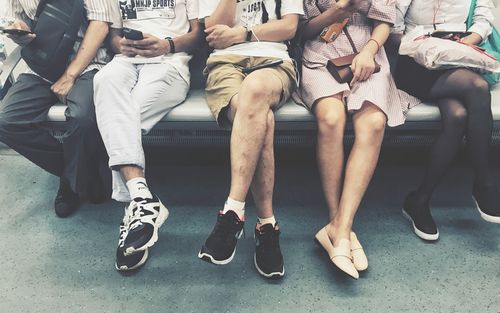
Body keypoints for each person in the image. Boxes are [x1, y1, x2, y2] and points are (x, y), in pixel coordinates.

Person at [293, 0, 418, 279]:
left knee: (374, 123)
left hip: (369, 54)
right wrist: (338, 11)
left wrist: (369, 51)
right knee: (331, 118)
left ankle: (340, 228)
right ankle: (338, 223)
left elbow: (384, 21)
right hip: (321, 55)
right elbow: (301, 30)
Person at [197, 0, 303, 278]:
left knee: (255, 92)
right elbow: (211, 29)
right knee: (261, 119)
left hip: (274, 62)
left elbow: (289, 27)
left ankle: (232, 211)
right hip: (224, 64)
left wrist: (243, 34)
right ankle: (266, 226)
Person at [93, 0, 201, 271]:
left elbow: (199, 35)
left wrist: (168, 45)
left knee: (120, 121)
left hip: (169, 64)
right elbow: (113, 38)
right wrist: (121, 46)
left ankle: (136, 209)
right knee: (103, 80)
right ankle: (143, 201)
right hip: (125, 62)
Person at [392, 0, 500, 241]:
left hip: (457, 58)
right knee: (477, 87)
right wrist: (425, 46)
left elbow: (483, 22)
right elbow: (393, 31)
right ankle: (484, 183)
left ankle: (419, 200)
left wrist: (463, 45)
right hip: (417, 61)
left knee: (458, 116)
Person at [0, 0, 113, 217]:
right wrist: (20, 31)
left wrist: (70, 75)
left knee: (83, 118)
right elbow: (16, 20)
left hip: (87, 63)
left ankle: (70, 183)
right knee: (7, 122)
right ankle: (78, 173)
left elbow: (100, 25)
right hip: (42, 63)